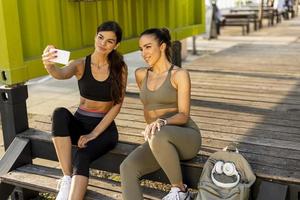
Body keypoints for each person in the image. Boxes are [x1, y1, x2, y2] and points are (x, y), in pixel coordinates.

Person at [41, 21, 127, 200]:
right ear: (95, 37)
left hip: (104, 128)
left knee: (82, 155)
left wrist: (94, 133)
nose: (103, 43)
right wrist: (49, 66)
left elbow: (117, 104)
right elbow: (61, 74)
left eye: (110, 41)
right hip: (80, 122)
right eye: (101, 37)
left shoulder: (119, 68)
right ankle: (66, 178)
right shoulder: (80, 64)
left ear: (116, 45)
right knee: (59, 113)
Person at [120, 28, 201, 200]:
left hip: (186, 137)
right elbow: (148, 108)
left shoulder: (179, 74)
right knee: (127, 167)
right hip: (157, 139)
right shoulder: (141, 74)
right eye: (141, 48)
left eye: (148, 47)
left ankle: (180, 191)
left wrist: (162, 123)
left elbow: (184, 115)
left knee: (158, 134)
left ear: (162, 46)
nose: (144, 53)